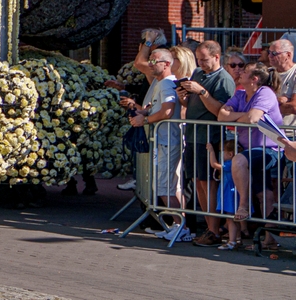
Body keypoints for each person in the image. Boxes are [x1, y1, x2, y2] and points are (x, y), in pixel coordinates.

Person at [192, 59, 283, 249]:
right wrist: (243, 116)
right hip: (250, 150)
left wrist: (238, 117)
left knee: (240, 162)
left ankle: (243, 205)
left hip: (269, 150)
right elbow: (221, 116)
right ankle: (267, 239)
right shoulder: (240, 94)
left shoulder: (265, 93)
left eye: (244, 71)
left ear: (254, 78)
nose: (239, 72)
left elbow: (253, 118)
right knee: (263, 194)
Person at [119, 46, 184, 241]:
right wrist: (143, 112)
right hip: (162, 140)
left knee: (164, 187)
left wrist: (144, 120)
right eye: (151, 60)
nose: (151, 64)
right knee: (164, 186)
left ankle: (181, 226)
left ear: (167, 64)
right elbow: (158, 108)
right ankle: (177, 225)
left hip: (167, 140)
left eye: (155, 61)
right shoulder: (161, 83)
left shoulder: (166, 84)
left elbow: (167, 111)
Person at [176, 40, 237, 245]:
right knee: (198, 182)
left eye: (204, 59)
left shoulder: (223, 79)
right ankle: (210, 228)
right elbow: (190, 104)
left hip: (210, 137)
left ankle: (214, 230)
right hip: (194, 135)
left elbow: (220, 111)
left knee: (208, 183)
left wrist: (202, 91)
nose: (200, 63)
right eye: (198, 59)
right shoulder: (197, 73)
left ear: (216, 57)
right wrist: (183, 96)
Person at [268, 38, 296, 124]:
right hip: (268, 129)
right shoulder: (268, 73)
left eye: (274, 53)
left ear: (288, 55)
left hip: (289, 130)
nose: (270, 56)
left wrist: (267, 107)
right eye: (269, 52)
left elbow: (294, 107)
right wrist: (279, 101)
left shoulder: (294, 73)